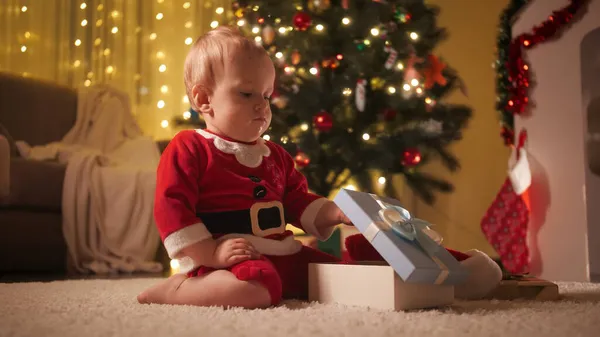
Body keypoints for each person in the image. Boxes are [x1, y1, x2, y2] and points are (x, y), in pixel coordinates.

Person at [137, 26, 501, 309]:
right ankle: (179, 290)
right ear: (203, 99)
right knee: (255, 289)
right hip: (226, 260)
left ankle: (449, 273)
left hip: (283, 251)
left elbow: (296, 199)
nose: (262, 107)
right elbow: (172, 209)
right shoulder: (190, 147)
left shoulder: (274, 155)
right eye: (247, 94)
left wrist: (335, 211)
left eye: (266, 96)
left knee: (337, 274)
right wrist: (210, 254)